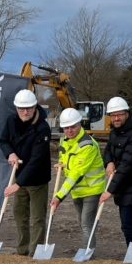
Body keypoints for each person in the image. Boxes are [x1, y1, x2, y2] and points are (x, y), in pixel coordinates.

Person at [0, 89, 52, 256]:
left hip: (37, 179)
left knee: (37, 217)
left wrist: (17, 184)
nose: (25, 112)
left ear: (35, 107)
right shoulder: (11, 120)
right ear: (16, 108)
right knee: (19, 213)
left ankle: (36, 252)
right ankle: (22, 249)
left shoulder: (43, 128)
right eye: (21, 108)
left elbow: (36, 160)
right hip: (20, 175)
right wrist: (10, 153)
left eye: (28, 108)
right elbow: (3, 140)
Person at [50, 108, 106, 252]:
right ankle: (87, 250)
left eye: (73, 126)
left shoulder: (87, 145)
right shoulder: (64, 139)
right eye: (66, 128)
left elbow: (76, 174)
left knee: (86, 223)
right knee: (81, 222)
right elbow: (63, 154)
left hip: (92, 188)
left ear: (79, 124)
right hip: (77, 189)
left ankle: (88, 253)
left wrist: (59, 196)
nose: (69, 130)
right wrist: (61, 164)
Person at [100, 97, 132, 246]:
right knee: (126, 222)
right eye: (113, 115)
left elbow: (126, 165)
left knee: (127, 221)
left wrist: (109, 190)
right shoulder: (115, 131)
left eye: (119, 115)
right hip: (123, 184)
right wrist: (109, 162)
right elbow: (108, 150)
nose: (116, 118)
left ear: (126, 114)